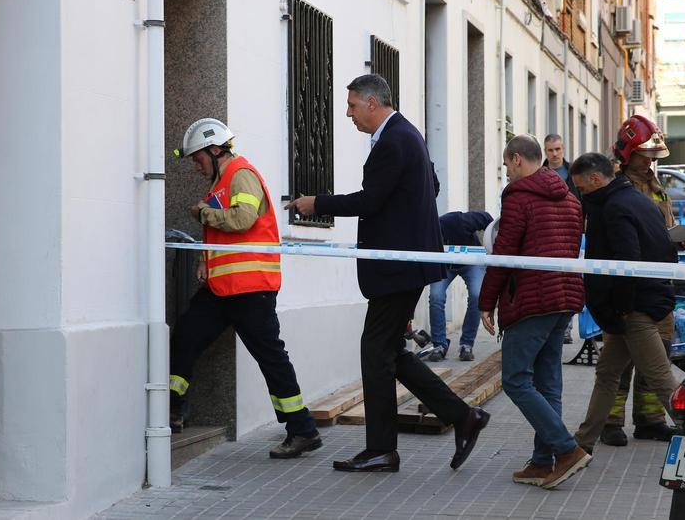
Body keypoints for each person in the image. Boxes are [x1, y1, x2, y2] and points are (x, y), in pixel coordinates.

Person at [286, 74, 489, 473]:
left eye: (352, 105)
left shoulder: (394, 140)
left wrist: (317, 203)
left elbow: (372, 200)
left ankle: (382, 448)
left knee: (374, 352)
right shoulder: (404, 135)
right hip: (403, 265)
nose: (348, 113)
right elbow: (428, 185)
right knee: (390, 352)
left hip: (398, 266)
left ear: (372, 103)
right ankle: (462, 416)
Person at [169, 118, 321, 459]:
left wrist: (203, 213)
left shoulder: (241, 174)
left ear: (214, 149)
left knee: (270, 358)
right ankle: (171, 409)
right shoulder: (220, 182)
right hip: (223, 289)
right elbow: (224, 236)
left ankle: (303, 430)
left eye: (197, 159)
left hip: (251, 289)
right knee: (185, 336)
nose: (195, 167)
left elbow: (242, 220)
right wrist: (204, 262)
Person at [478, 135, 591, 490]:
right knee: (548, 382)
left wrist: (486, 301)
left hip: (532, 300)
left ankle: (566, 449)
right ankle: (543, 462)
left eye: (505, 165)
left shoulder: (518, 198)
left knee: (515, 379)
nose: (506, 173)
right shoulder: (571, 199)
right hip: (564, 298)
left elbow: (503, 255)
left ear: (516, 160)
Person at [568, 153, 680, 454]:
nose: (581, 194)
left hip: (634, 310)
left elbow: (626, 263)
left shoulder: (615, 209)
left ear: (595, 179)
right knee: (607, 373)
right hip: (641, 304)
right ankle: (581, 444)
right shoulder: (641, 201)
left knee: (661, 380)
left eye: (581, 187)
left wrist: (620, 307)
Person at [599, 115, 679, 447]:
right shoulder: (616, 187)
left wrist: (677, 239)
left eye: (652, 155)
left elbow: (665, 226)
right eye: (644, 154)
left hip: (659, 282)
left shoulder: (656, 185)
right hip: (631, 285)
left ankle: (650, 420)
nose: (649, 160)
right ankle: (610, 423)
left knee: (658, 352)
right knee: (620, 359)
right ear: (627, 152)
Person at [426, 211, 493, 362]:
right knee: (436, 296)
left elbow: (487, 219)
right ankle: (439, 345)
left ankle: (466, 345)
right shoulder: (423, 235)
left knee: (477, 295)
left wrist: (492, 244)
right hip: (445, 265)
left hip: (471, 261)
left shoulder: (457, 221)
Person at [543, 134, 578, 345]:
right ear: (545, 151)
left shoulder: (573, 172)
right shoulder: (539, 173)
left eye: (557, 149)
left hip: (572, 234)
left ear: (563, 149)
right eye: (550, 150)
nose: (554, 154)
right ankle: (553, 325)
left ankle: (567, 327)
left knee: (570, 280)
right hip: (548, 236)